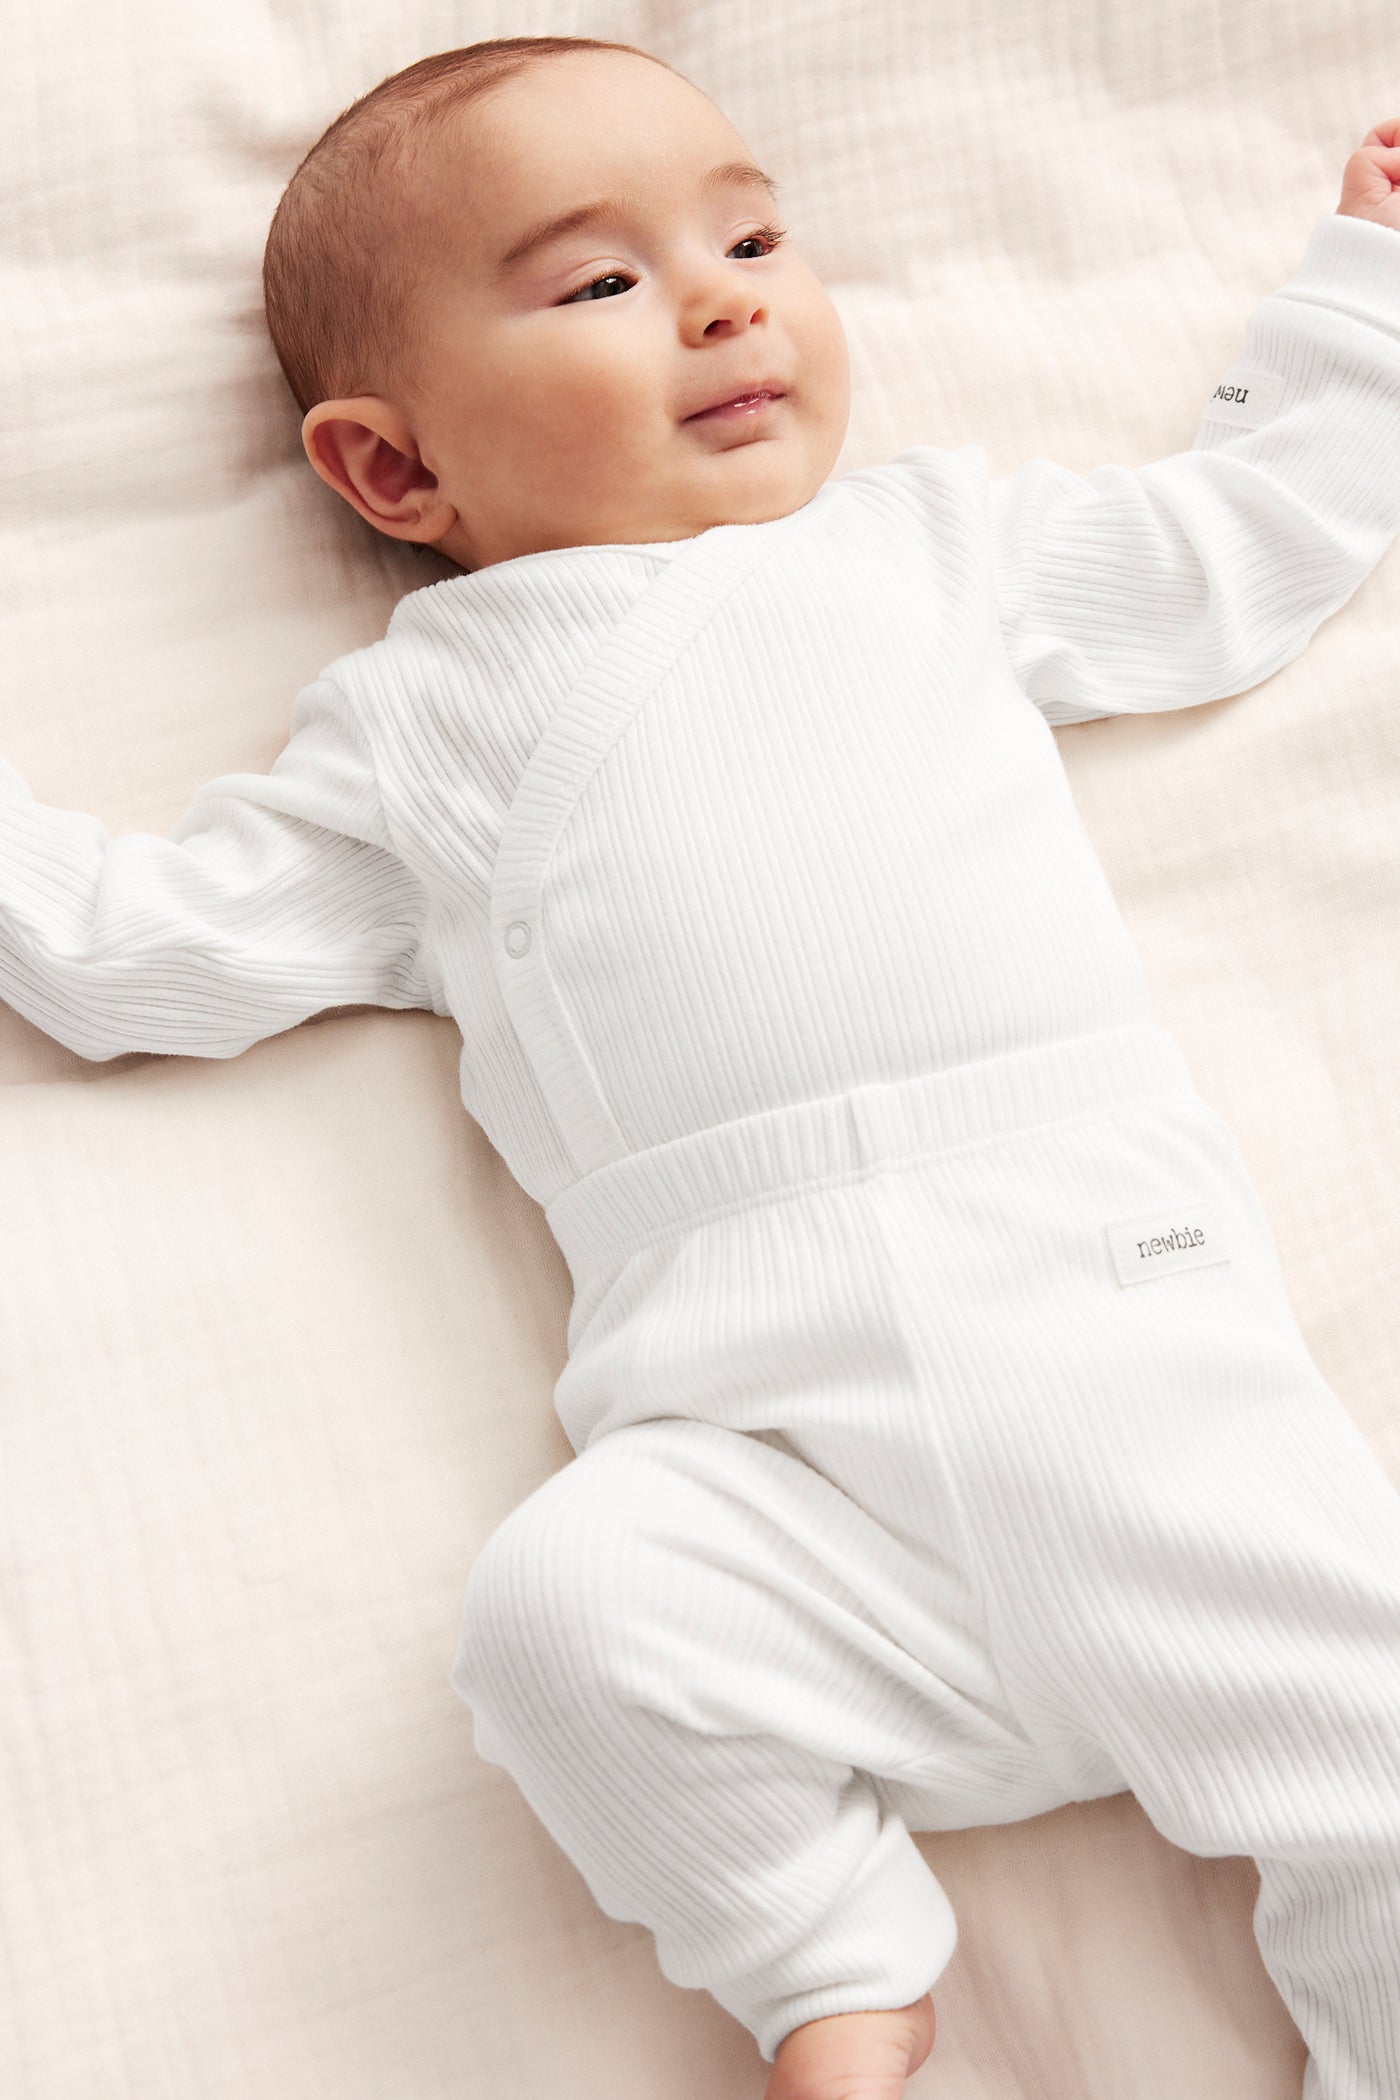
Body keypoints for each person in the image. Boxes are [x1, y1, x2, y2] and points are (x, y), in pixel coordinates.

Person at [6, 32, 1400, 2100]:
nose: (733, 294)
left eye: (750, 235)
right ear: (394, 473)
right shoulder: (420, 730)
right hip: (765, 1455)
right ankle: (825, 1966)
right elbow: (140, 953)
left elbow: (1244, 545)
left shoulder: (933, 550)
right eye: (598, 283)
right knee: (563, 1615)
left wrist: (1359, 290)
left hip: (1112, 1351)